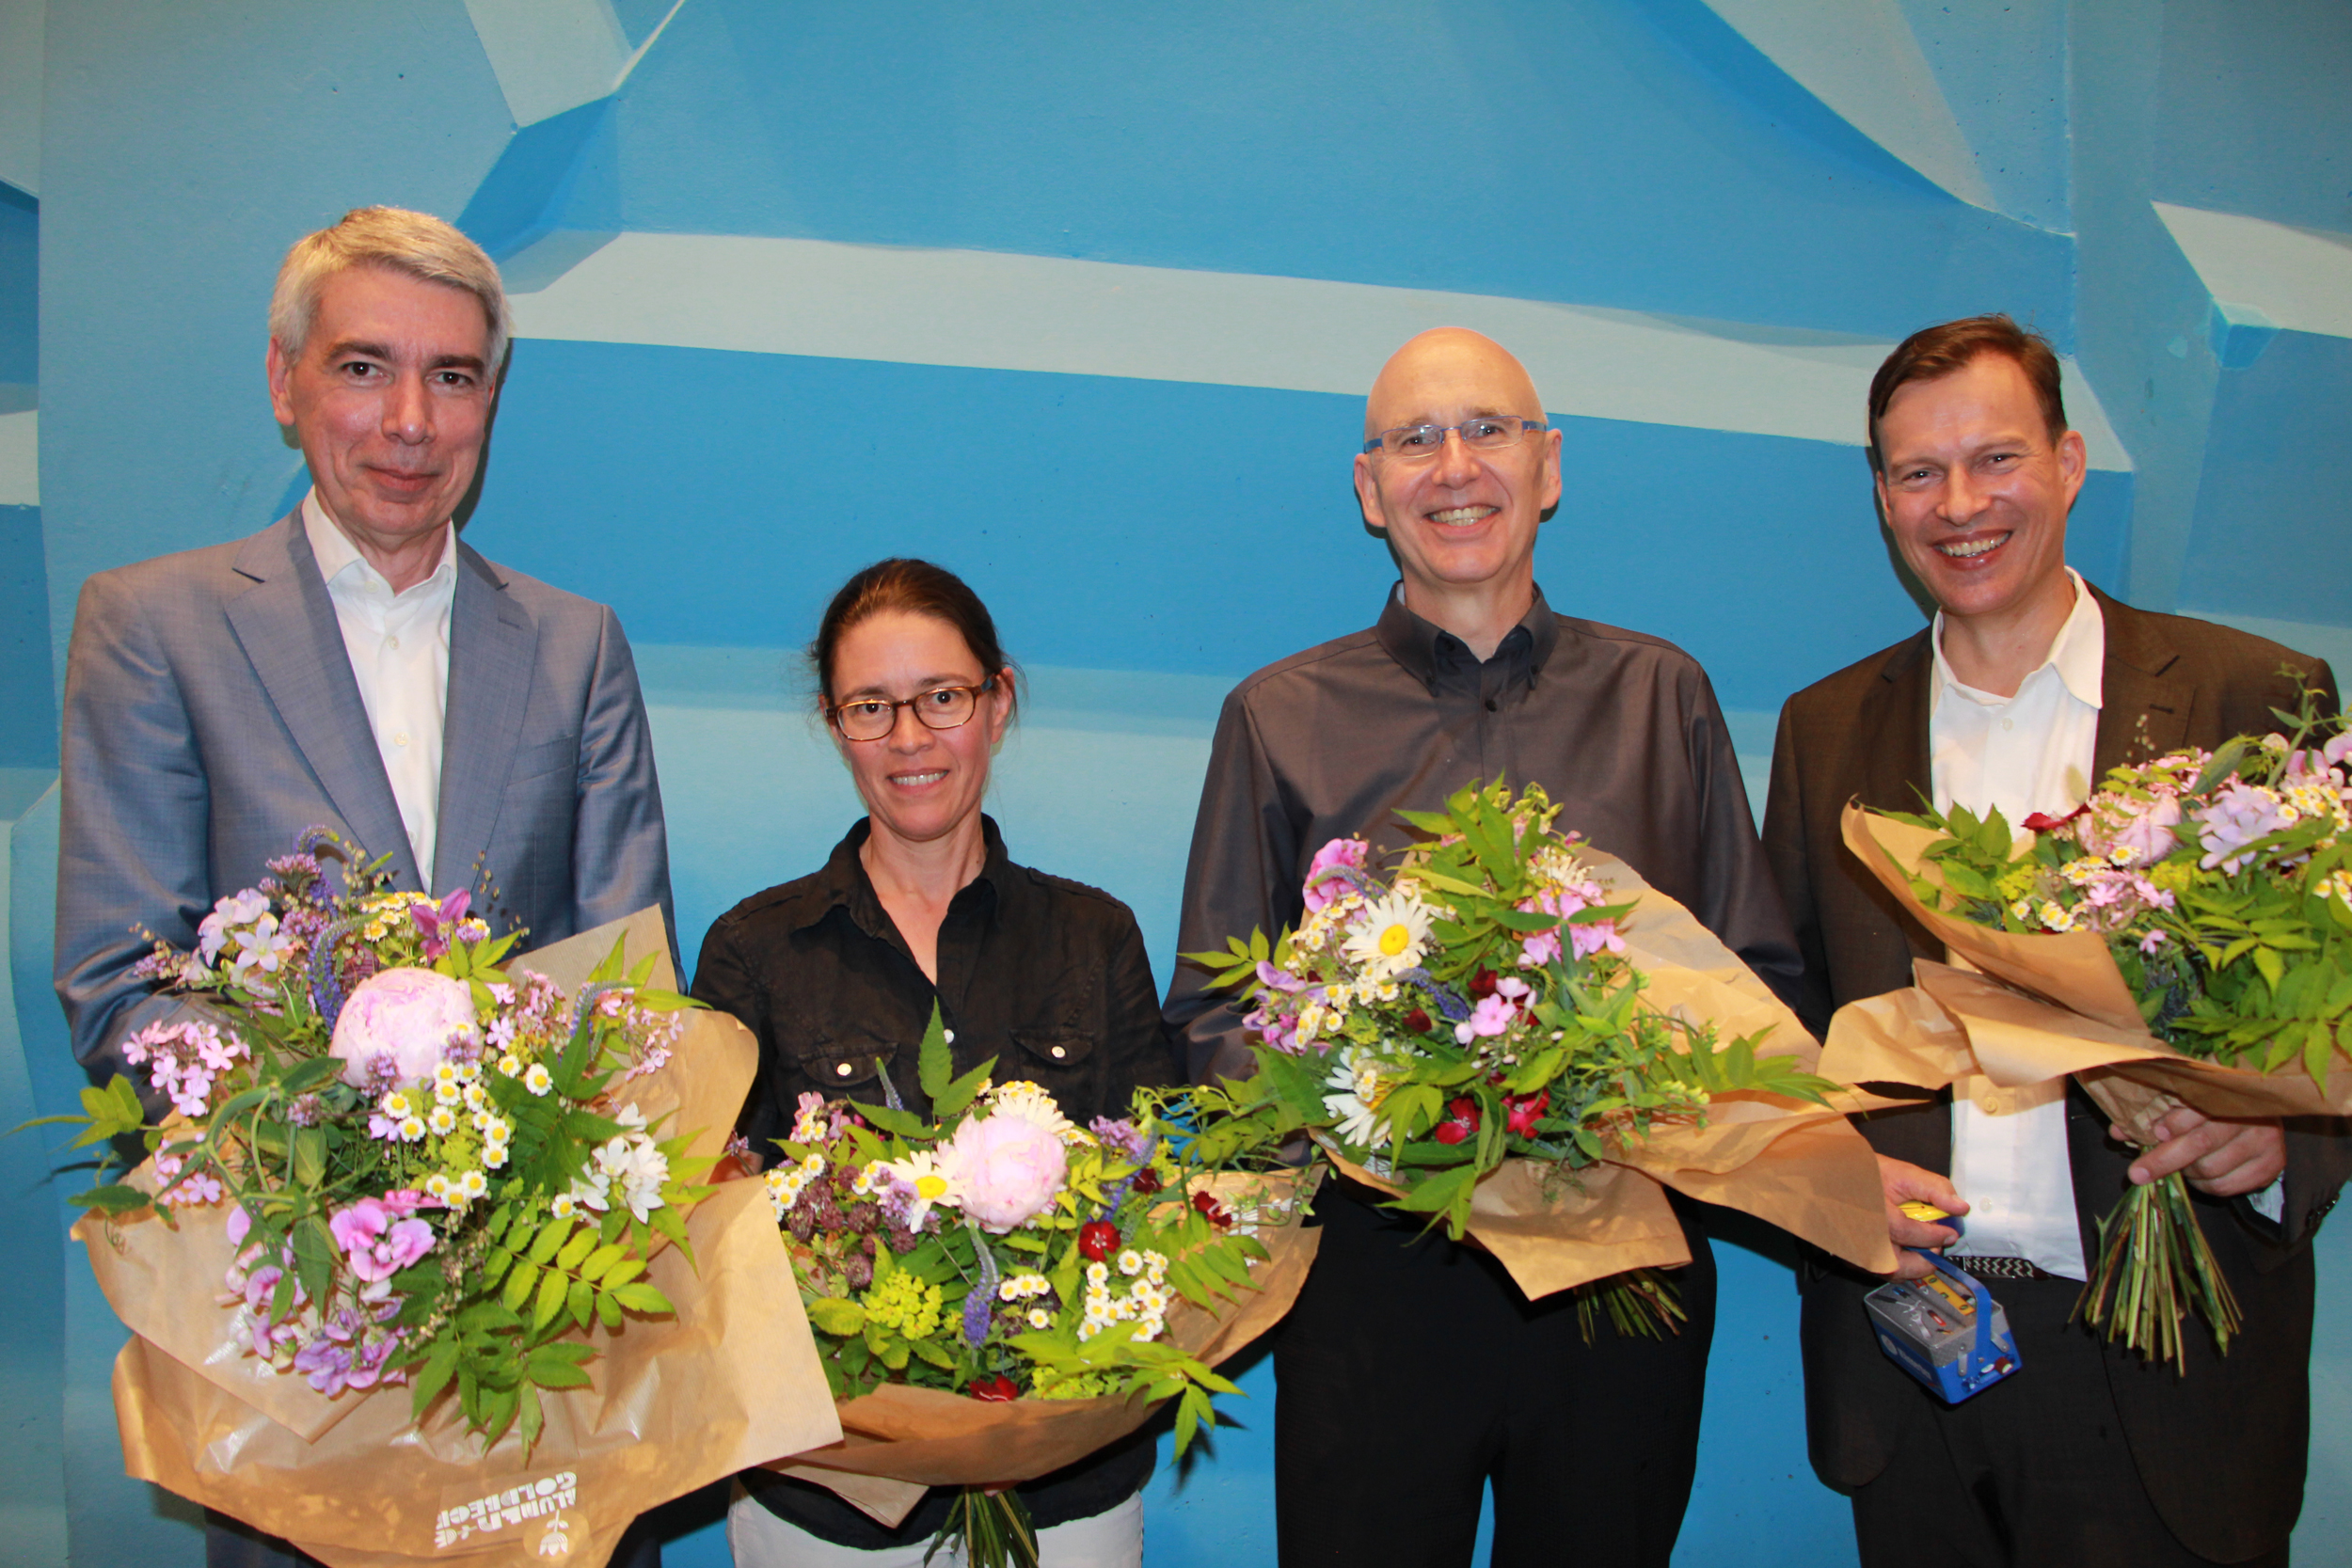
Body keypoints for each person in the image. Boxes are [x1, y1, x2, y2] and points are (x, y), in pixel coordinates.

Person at [53, 205, 674, 1568]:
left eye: (451, 376)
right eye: (362, 366)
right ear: (284, 383)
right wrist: (353, 1175)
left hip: (541, 1342)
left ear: (491, 400)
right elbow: (120, 984)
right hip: (296, 1341)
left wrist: (513, 1188)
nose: (409, 420)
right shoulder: (155, 625)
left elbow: (632, 993)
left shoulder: (576, 645)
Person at [1162, 327, 1803, 1567]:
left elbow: (1761, 986)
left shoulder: (1661, 696)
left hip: (1621, 1283)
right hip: (1378, 1285)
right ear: (1371, 488)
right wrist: (1371, 1110)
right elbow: (1212, 1018)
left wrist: (1628, 1087)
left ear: (1547, 465)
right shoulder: (1277, 716)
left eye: (1488, 429)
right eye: (1416, 439)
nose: (1455, 466)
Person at [1762, 313, 2351, 1568]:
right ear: (1883, 497)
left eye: (1996, 458)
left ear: (2069, 463)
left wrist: (2284, 1136)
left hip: (2170, 1351)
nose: (1959, 504)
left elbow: (2332, 989)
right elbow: (1785, 1020)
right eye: (1919, 473)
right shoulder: (1824, 729)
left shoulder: (2249, 697)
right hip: (1912, 1347)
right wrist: (1825, 1174)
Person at [692, 558, 1180, 1567]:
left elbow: (1156, 1198)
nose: (909, 738)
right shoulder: (755, 950)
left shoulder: (1095, 936)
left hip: (1064, 1498)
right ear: (835, 725)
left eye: (941, 697)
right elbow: (713, 1226)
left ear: (998, 701)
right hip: (829, 1504)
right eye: (871, 706)